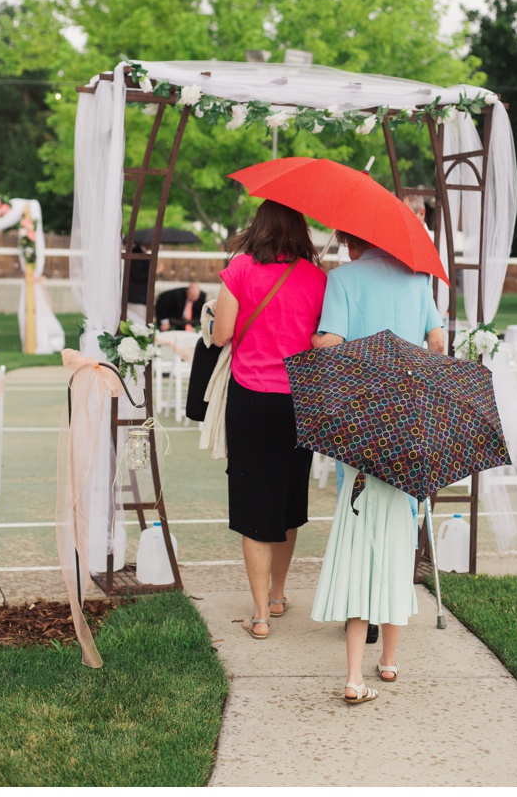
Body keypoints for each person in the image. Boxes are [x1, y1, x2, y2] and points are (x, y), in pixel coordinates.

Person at [308, 228, 446, 706]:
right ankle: (388, 659)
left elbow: (331, 343)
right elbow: (437, 343)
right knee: (399, 530)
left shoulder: (343, 278)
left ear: (351, 241)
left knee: (359, 521)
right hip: (407, 418)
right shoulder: (418, 279)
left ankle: (356, 648)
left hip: (361, 418)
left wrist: (316, 337)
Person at [210, 201, 327, 642]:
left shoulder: (239, 268)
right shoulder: (318, 278)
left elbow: (221, 334)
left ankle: (259, 614)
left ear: (258, 226)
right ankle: (278, 594)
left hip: (251, 400)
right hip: (300, 401)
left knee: (254, 500)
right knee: (288, 501)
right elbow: (321, 340)